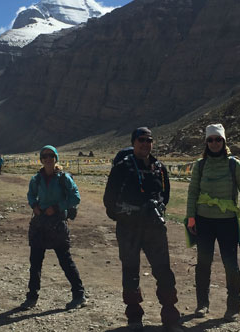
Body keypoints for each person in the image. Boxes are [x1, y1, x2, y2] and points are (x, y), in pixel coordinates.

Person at [104, 127, 183, 332]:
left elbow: (165, 195)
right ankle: (134, 317)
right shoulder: (122, 167)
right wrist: (125, 216)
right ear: (133, 142)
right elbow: (109, 200)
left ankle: (170, 317)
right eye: (141, 140)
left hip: (154, 228)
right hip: (129, 228)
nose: (145, 144)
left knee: (163, 271)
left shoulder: (159, 167)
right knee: (130, 271)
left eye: (149, 140)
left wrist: (154, 209)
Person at [185, 124, 240, 322]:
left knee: (230, 265)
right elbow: (193, 193)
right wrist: (191, 217)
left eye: (218, 139)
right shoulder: (200, 165)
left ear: (224, 141)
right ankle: (202, 304)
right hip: (203, 221)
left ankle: (233, 307)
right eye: (211, 140)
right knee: (203, 263)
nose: (214, 143)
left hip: (227, 222)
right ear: (206, 142)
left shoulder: (234, 164)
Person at [20, 145, 87, 310]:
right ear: (41, 160)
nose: (48, 159)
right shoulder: (36, 179)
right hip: (40, 223)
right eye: (44, 156)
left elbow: (75, 198)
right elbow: (30, 195)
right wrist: (34, 205)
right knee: (35, 262)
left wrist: (57, 207)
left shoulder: (64, 178)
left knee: (65, 261)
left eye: (51, 156)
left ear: (56, 158)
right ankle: (32, 297)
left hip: (57, 223)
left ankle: (79, 295)